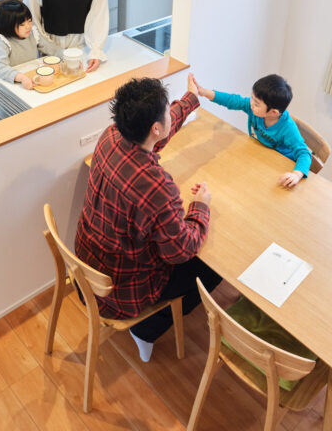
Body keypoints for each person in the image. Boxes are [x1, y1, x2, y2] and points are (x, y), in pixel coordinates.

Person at [74, 74, 221, 363]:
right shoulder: (157, 186)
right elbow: (181, 250)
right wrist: (200, 207)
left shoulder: (111, 136)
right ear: (155, 127)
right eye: (167, 111)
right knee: (212, 268)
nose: (170, 115)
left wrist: (190, 100)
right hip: (122, 291)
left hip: (88, 268)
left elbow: (157, 138)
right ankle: (148, 328)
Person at [191, 73, 312, 188]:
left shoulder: (288, 128)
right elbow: (232, 100)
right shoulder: (253, 107)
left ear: (273, 112)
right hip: (258, 158)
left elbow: (304, 153)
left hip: (279, 167)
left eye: (256, 103)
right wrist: (204, 92)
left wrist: (296, 175)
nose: (251, 103)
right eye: (252, 98)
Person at [0, 0, 40, 89]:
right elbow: (2, 68)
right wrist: (22, 78)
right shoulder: (2, 43)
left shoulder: (32, 33)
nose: (28, 26)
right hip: (14, 83)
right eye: (22, 24)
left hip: (32, 77)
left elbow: (47, 48)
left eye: (29, 21)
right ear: (8, 25)